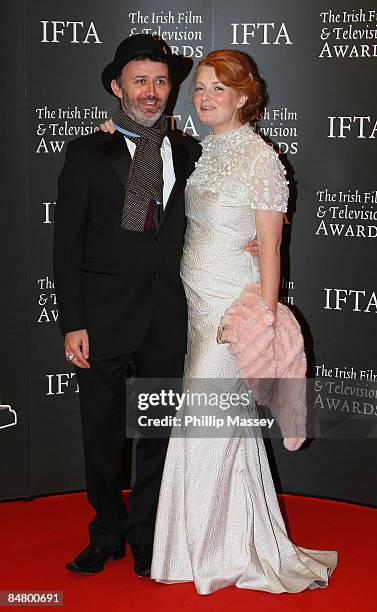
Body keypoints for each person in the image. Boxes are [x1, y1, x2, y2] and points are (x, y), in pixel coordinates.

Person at [54, 33, 259, 577]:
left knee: (157, 432)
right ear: (118, 87)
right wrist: (72, 321)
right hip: (100, 318)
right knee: (100, 430)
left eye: (161, 81)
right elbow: (66, 245)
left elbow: (237, 192)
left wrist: (257, 237)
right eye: (140, 81)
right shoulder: (85, 152)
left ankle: (147, 532)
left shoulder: (192, 151)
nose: (151, 92)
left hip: (168, 316)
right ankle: (105, 532)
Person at [150, 50, 338, 595]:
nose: (204, 97)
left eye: (216, 89)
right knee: (217, 423)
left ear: (243, 96)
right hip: (197, 302)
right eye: (200, 88)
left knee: (207, 419)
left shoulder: (261, 160)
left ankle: (211, 549)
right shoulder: (208, 150)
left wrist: (260, 313)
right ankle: (213, 542)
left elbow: (272, 250)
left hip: (233, 310)